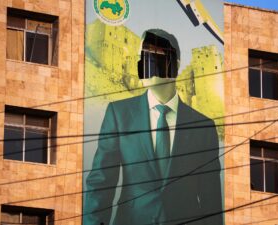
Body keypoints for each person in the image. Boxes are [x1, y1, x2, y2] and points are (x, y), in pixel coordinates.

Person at [84, 29, 223, 225]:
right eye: (142, 57)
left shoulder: (203, 128)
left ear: (175, 65)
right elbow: (101, 183)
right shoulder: (119, 114)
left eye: (153, 56)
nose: (145, 63)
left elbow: (212, 201)